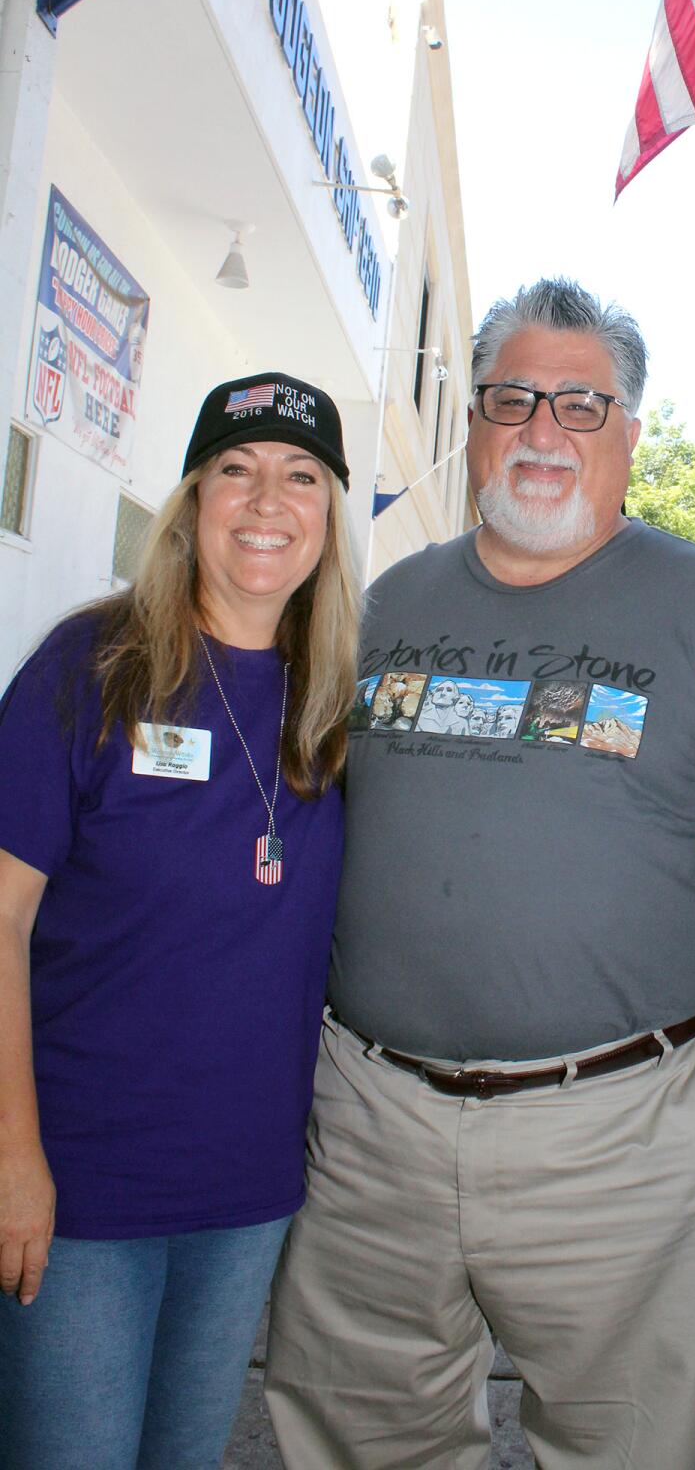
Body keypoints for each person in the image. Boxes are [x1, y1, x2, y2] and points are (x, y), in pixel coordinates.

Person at [265, 279, 695, 1468]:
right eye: (513, 398)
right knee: (365, 1435)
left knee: (619, 1442)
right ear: (473, 422)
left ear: (630, 430)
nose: (543, 431)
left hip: (619, 1131)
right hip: (371, 1123)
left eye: (582, 405)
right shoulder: (386, 607)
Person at [0, 372, 360, 1470]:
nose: (266, 502)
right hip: (82, 1180)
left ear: (331, 517)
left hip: (247, 1192)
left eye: (301, 476)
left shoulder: (337, 708)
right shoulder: (91, 667)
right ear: (193, 500)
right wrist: (13, 1154)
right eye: (236, 471)